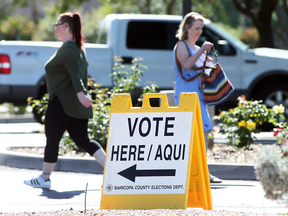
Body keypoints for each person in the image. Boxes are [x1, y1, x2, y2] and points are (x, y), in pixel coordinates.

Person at [24, 12, 106, 189]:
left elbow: (75, 73)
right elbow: (75, 72)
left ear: (65, 27)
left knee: (52, 140)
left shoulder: (68, 48)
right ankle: (112, 170)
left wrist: (80, 94)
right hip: (73, 104)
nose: (54, 28)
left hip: (61, 102)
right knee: (83, 140)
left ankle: (44, 178)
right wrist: (81, 96)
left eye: (57, 25)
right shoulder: (78, 48)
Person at [173, 12, 222, 183]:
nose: (199, 32)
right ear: (187, 28)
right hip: (186, 95)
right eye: (196, 28)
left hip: (198, 96)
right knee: (195, 133)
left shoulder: (195, 49)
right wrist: (202, 50)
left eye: (201, 28)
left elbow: (199, 71)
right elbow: (186, 64)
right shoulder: (181, 46)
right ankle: (196, 172)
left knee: (205, 130)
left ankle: (198, 170)